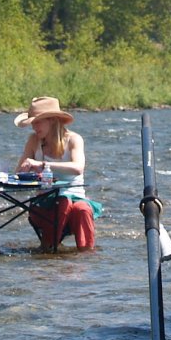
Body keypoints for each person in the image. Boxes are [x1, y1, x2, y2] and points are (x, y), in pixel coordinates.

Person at [13, 96, 101, 251]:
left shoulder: (74, 140)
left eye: (37, 121)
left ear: (52, 120)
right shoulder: (34, 141)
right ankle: (50, 248)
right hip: (45, 200)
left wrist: (43, 165)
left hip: (75, 196)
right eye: (32, 122)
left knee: (82, 209)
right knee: (63, 202)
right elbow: (18, 171)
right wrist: (28, 170)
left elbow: (78, 168)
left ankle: (86, 258)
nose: (34, 126)